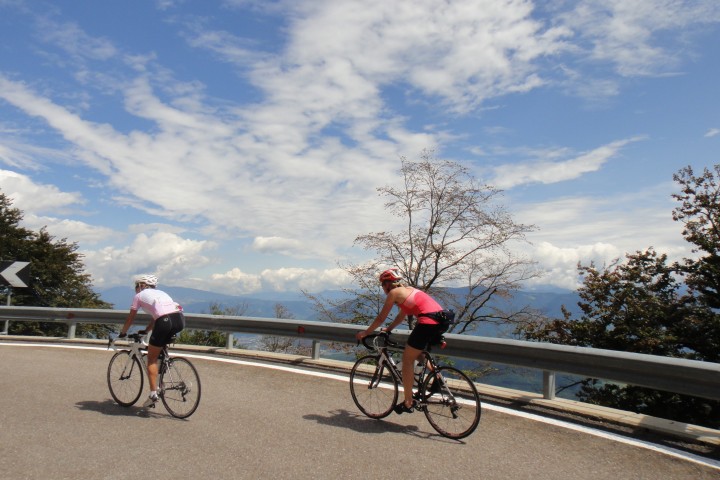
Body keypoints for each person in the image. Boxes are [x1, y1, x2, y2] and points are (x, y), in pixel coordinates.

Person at [355, 268, 447, 414]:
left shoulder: (394, 293)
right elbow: (401, 316)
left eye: (383, 285)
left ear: (387, 284)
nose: (383, 289)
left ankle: (408, 402)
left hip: (427, 322)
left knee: (407, 360)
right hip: (441, 321)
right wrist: (388, 329)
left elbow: (380, 318)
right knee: (417, 352)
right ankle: (438, 377)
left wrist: (366, 332)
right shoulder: (408, 290)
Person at [119, 274, 185, 408]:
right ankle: (162, 376)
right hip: (179, 320)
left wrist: (123, 333)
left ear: (141, 286)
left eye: (136, 286)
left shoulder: (139, 296)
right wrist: (146, 330)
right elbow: (157, 316)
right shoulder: (162, 293)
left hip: (164, 321)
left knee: (151, 359)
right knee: (160, 350)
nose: (135, 289)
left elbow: (130, 318)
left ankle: (153, 394)